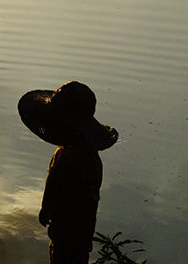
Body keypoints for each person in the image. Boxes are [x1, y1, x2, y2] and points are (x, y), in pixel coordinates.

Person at [17, 81, 119, 264]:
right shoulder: (85, 157)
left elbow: (58, 188)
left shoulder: (71, 159)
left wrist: (47, 209)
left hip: (68, 232)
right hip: (78, 234)